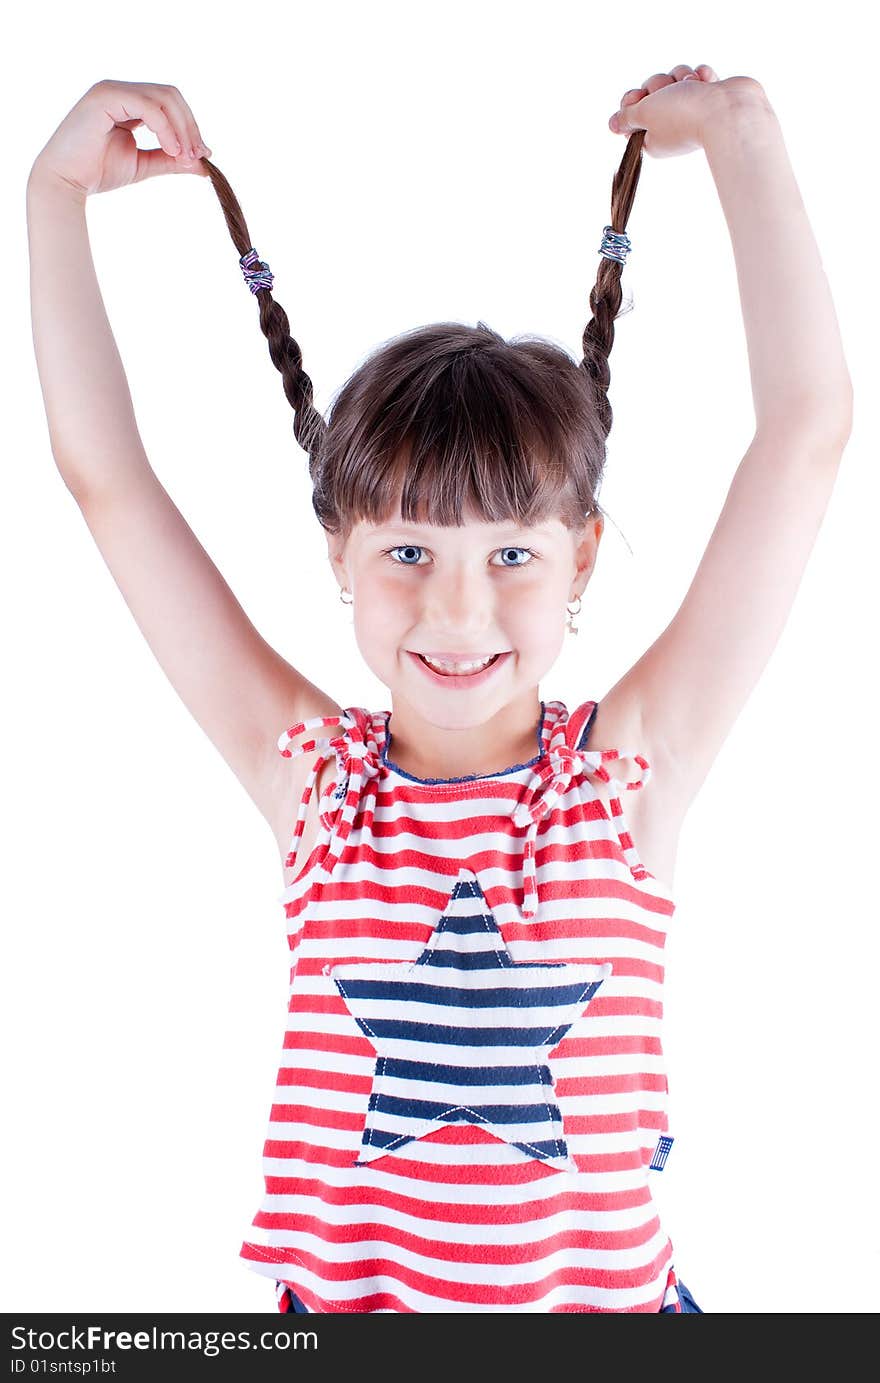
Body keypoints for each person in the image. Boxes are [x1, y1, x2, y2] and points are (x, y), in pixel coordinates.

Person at [26, 65, 852, 1315]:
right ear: (340, 558)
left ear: (578, 556)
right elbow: (110, 481)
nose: (457, 612)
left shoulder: (625, 776)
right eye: (406, 553)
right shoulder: (314, 783)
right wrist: (52, 196)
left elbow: (807, 428)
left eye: (510, 555)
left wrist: (741, 133)